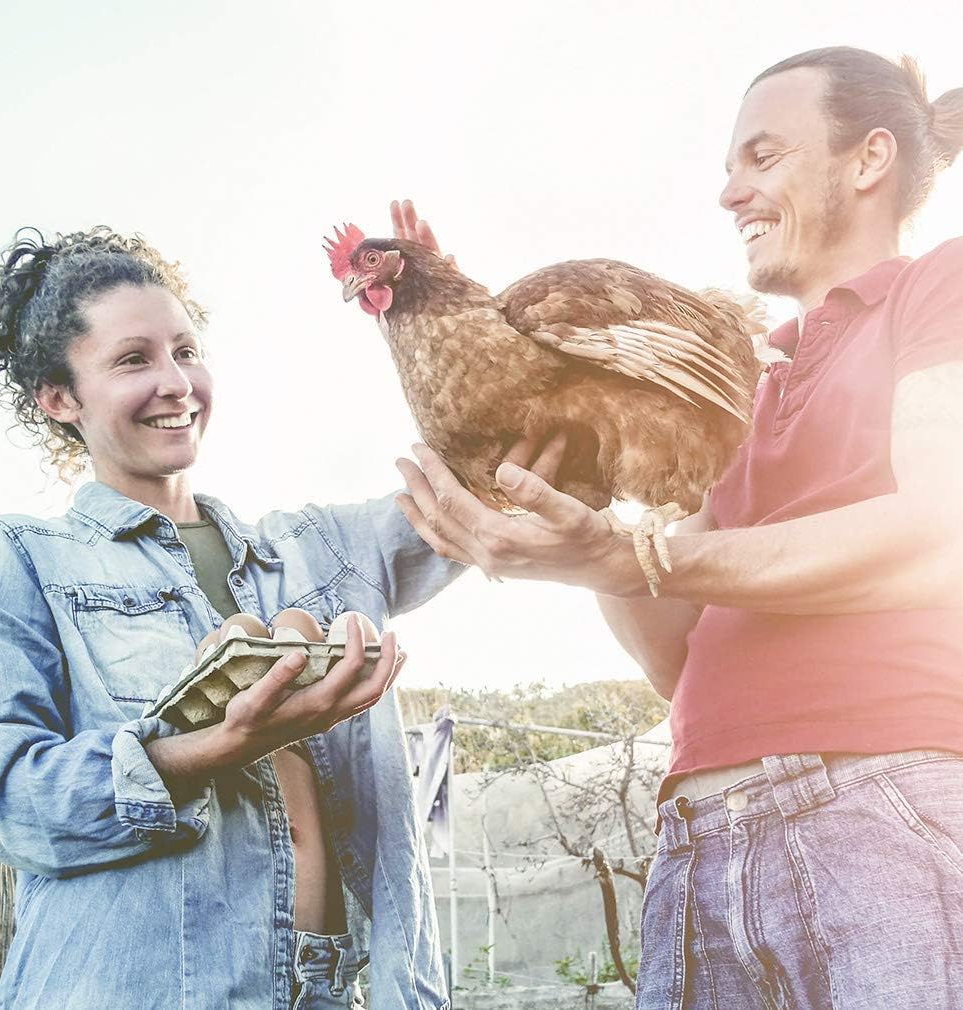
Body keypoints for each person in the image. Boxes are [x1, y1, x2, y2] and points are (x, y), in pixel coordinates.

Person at [394, 48, 963, 1009]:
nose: (729, 192)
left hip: (882, 801)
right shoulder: (740, 374)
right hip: (698, 832)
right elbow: (677, 650)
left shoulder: (935, 289)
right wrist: (581, 526)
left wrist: (643, 553)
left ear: (868, 162)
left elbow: (940, 531)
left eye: (763, 157)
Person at [0, 225, 464, 1009]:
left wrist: (448, 289)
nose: (176, 382)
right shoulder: (22, 558)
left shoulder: (320, 551)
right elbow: (1, 804)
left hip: (327, 988)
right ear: (58, 399)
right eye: (133, 360)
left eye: (186, 351)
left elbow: (487, 487)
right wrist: (206, 749)